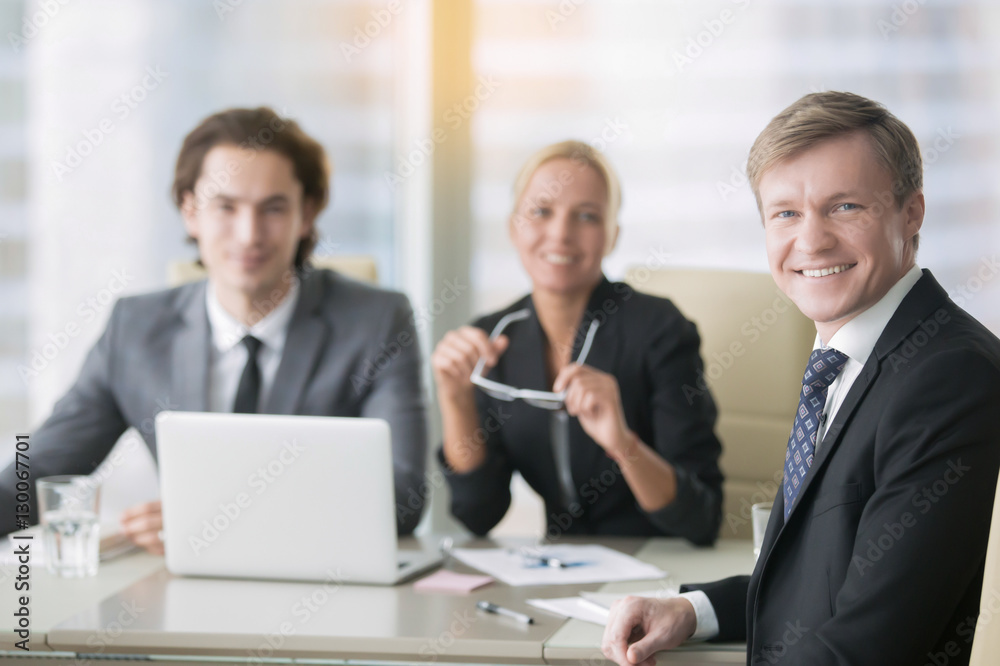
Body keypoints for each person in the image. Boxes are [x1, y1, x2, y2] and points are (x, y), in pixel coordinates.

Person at [601, 92, 1000, 665]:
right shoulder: (848, 358)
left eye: (845, 207)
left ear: (911, 213)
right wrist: (694, 610)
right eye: (785, 212)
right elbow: (827, 581)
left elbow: (872, 641)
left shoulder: (948, 379)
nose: (810, 241)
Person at [0, 107, 428, 548]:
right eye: (226, 206)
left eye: (273, 209)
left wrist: (217, 521)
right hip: (179, 596)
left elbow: (404, 499)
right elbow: (37, 473)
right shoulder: (135, 329)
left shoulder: (377, 323)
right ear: (190, 212)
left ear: (308, 214)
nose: (248, 234)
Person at [432, 141, 724, 546]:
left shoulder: (660, 329)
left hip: (658, 567)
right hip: (559, 575)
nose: (561, 234)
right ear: (513, 227)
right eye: (541, 212)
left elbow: (702, 518)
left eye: (586, 216)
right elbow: (478, 514)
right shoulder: (493, 338)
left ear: (612, 236)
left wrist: (622, 444)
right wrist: (455, 399)